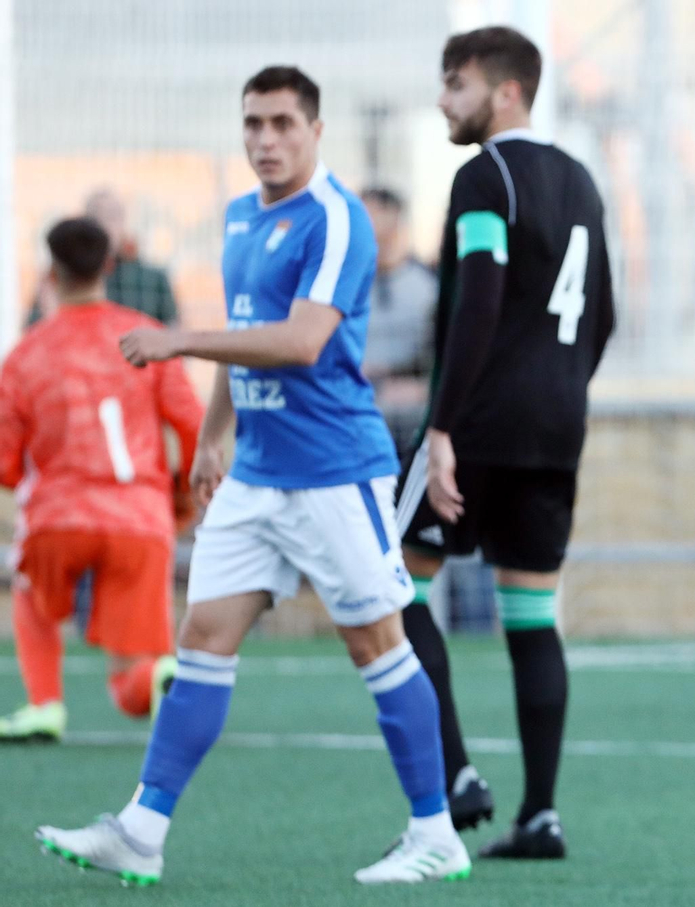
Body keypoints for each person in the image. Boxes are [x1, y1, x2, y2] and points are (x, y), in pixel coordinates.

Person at [33, 66, 469, 886]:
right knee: (202, 640)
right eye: (253, 125)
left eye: (281, 124)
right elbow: (247, 332)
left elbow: (301, 341)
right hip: (257, 476)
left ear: (314, 130)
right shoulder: (239, 217)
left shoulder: (336, 220)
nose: (265, 141)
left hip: (336, 473)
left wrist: (178, 340)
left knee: (379, 644)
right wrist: (211, 435)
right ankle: (141, 828)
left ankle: (436, 831)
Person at [395, 26, 615, 859]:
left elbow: (479, 301)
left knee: (391, 589)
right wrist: (558, 393)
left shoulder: (483, 175)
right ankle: (542, 815)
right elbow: (605, 315)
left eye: (456, 85)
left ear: (507, 91)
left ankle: (453, 773)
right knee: (531, 617)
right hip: (556, 427)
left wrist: (443, 425)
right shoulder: (581, 180)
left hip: (477, 423)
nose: (445, 101)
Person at [0, 218, 202, 743]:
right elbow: (193, 423)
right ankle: (152, 676)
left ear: (51, 271)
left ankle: (45, 704)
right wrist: (181, 491)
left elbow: (4, 460)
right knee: (130, 677)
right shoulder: (147, 338)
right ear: (111, 266)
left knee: (31, 595)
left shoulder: (26, 354)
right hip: (140, 517)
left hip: (57, 514)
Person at [30, 189, 181, 327]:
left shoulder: (152, 280)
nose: (106, 224)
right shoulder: (62, 279)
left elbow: (174, 336)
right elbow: (35, 333)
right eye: (96, 216)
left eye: (113, 215)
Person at [360, 187, 436, 451]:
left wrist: (418, 386)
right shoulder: (347, 288)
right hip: (359, 425)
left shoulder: (429, 286)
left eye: (371, 215)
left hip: (415, 427)